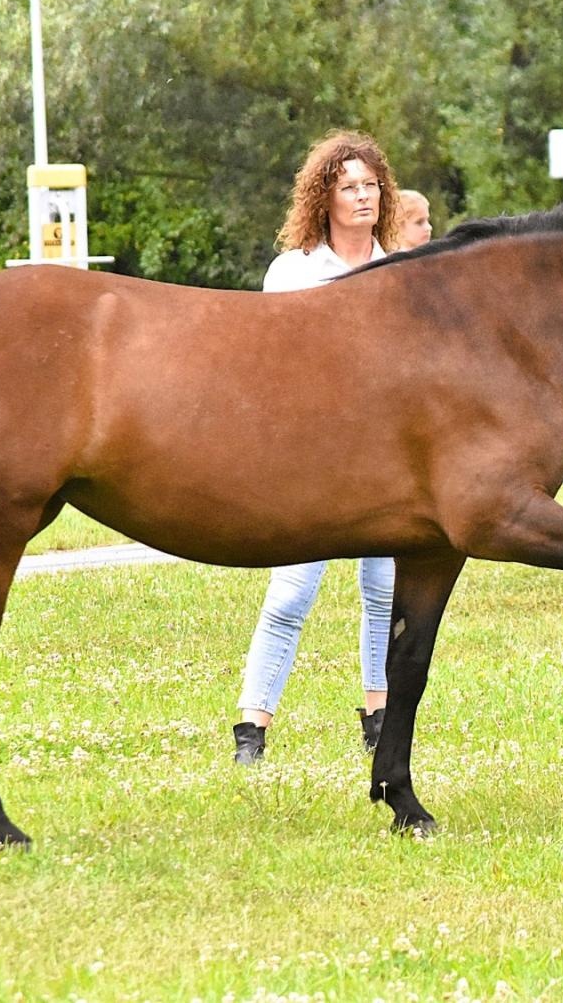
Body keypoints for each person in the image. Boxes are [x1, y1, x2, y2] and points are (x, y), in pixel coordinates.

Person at [234, 129, 403, 766]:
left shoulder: (399, 265)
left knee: (384, 589)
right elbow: (269, 367)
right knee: (290, 593)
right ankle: (252, 728)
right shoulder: (295, 271)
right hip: (313, 456)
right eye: (348, 187)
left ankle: (378, 716)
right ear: (323, 198)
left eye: (370, 186)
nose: (362, 197)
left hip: (387, 455)